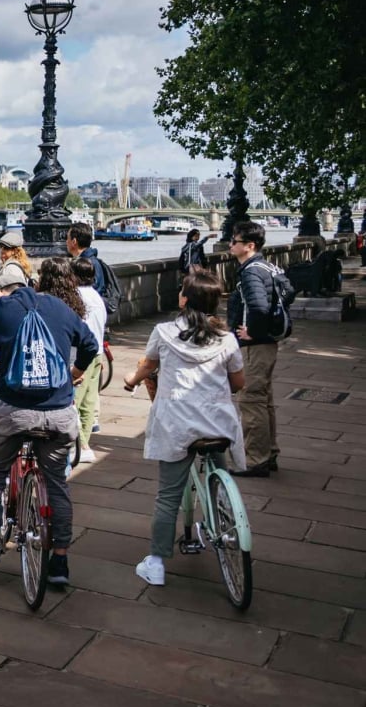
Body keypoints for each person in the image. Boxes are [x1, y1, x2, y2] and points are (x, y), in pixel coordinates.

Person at [0, 263, 98, 586]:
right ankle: (60, 561)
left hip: (14, 411)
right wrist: (74, 374)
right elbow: (90, 345)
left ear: (1, 291)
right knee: (57, 482)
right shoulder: (60, 307)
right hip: (59, 412)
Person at [122, 270, 245, 586]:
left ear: (185, 300)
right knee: (220, 473)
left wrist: (131, 380)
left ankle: (156, 563)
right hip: (216, 423)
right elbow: (238, 383)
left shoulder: (164, 333)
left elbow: (147, 366)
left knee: (168, 497)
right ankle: (224, 513)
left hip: (177, 423)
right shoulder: (227, 339)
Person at [225, 220, 292, 477]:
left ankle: (255, 460)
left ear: (249, 246)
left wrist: (252, 332)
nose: (230, 244)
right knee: (264, 400)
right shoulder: (268, 266)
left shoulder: (251, 271)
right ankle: (269, 452)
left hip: (255, 346)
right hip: (267, 343)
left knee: (251, 400)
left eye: (235, 241)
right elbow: (289, 291)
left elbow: (259, 307)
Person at [70, 258, 107, 463]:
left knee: (74, 400)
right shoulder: (96, 297)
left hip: (82, 353)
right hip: (97, 351)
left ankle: (81, 445)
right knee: (89, 402)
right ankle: (84, 442)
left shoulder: (77, 297)